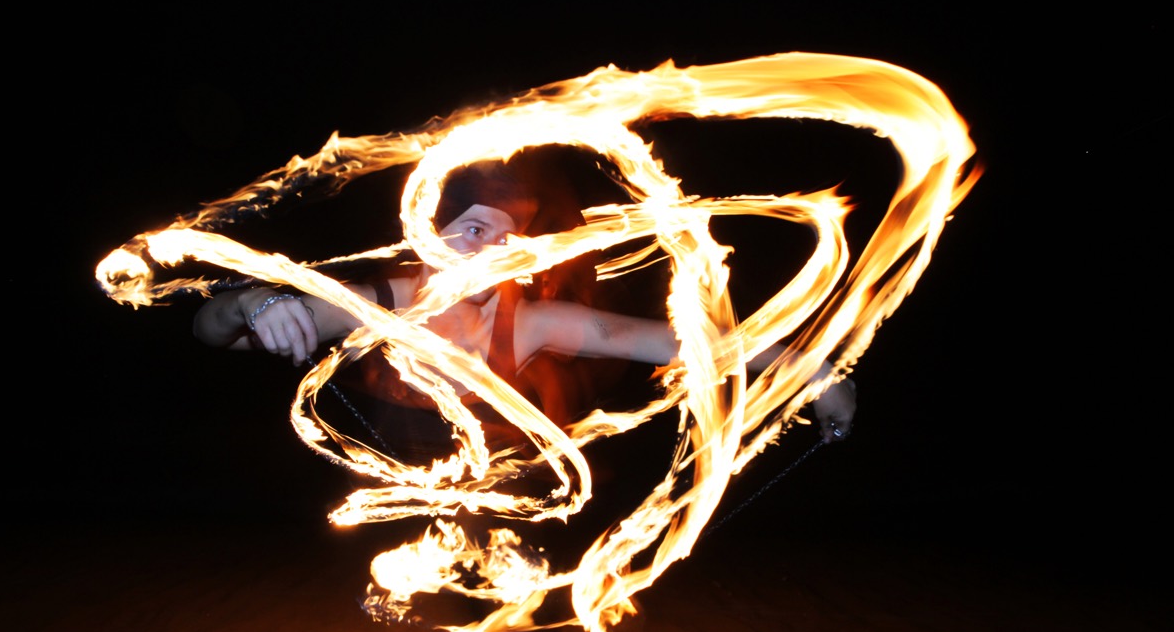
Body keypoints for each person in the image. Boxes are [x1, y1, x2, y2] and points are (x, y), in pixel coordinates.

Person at [192, 156, 858, 455]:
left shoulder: (528, 323)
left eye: (511, 240)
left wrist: (810, 370)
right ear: (429, 232)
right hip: (388, 478)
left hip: (497, 480)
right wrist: (254, 302)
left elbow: (677, 343)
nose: (497, 254)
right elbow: (210, 332)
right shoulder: (372, 306)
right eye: (476, 231)